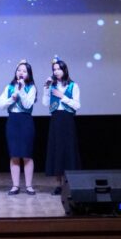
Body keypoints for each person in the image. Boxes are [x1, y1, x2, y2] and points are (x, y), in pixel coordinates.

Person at [0, 59, 38, 195]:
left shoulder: (31, 88)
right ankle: (15, 186)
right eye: (19, 70)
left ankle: (29, 186)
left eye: (24, 71)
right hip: (13, 121)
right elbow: (1, 104)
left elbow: (27, 104)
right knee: (14, 154)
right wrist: (11, 98)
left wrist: (21, 91)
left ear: (29, 74)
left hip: (25, 120)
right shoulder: (9, 87)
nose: (21, 73)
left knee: (27, 154)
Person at [42, 57, 81, 195]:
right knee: (57, 150)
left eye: (59, 69)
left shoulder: (73, 85)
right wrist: (46, 89)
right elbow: (45, 103)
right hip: (56, 119)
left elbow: (77, 105)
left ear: (64, 70)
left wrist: (62, 96)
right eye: (54, 69)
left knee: (68, 149)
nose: (56, 71)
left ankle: (69, 183)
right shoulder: (51, 85)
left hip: (67, 119)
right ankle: (58, 184)